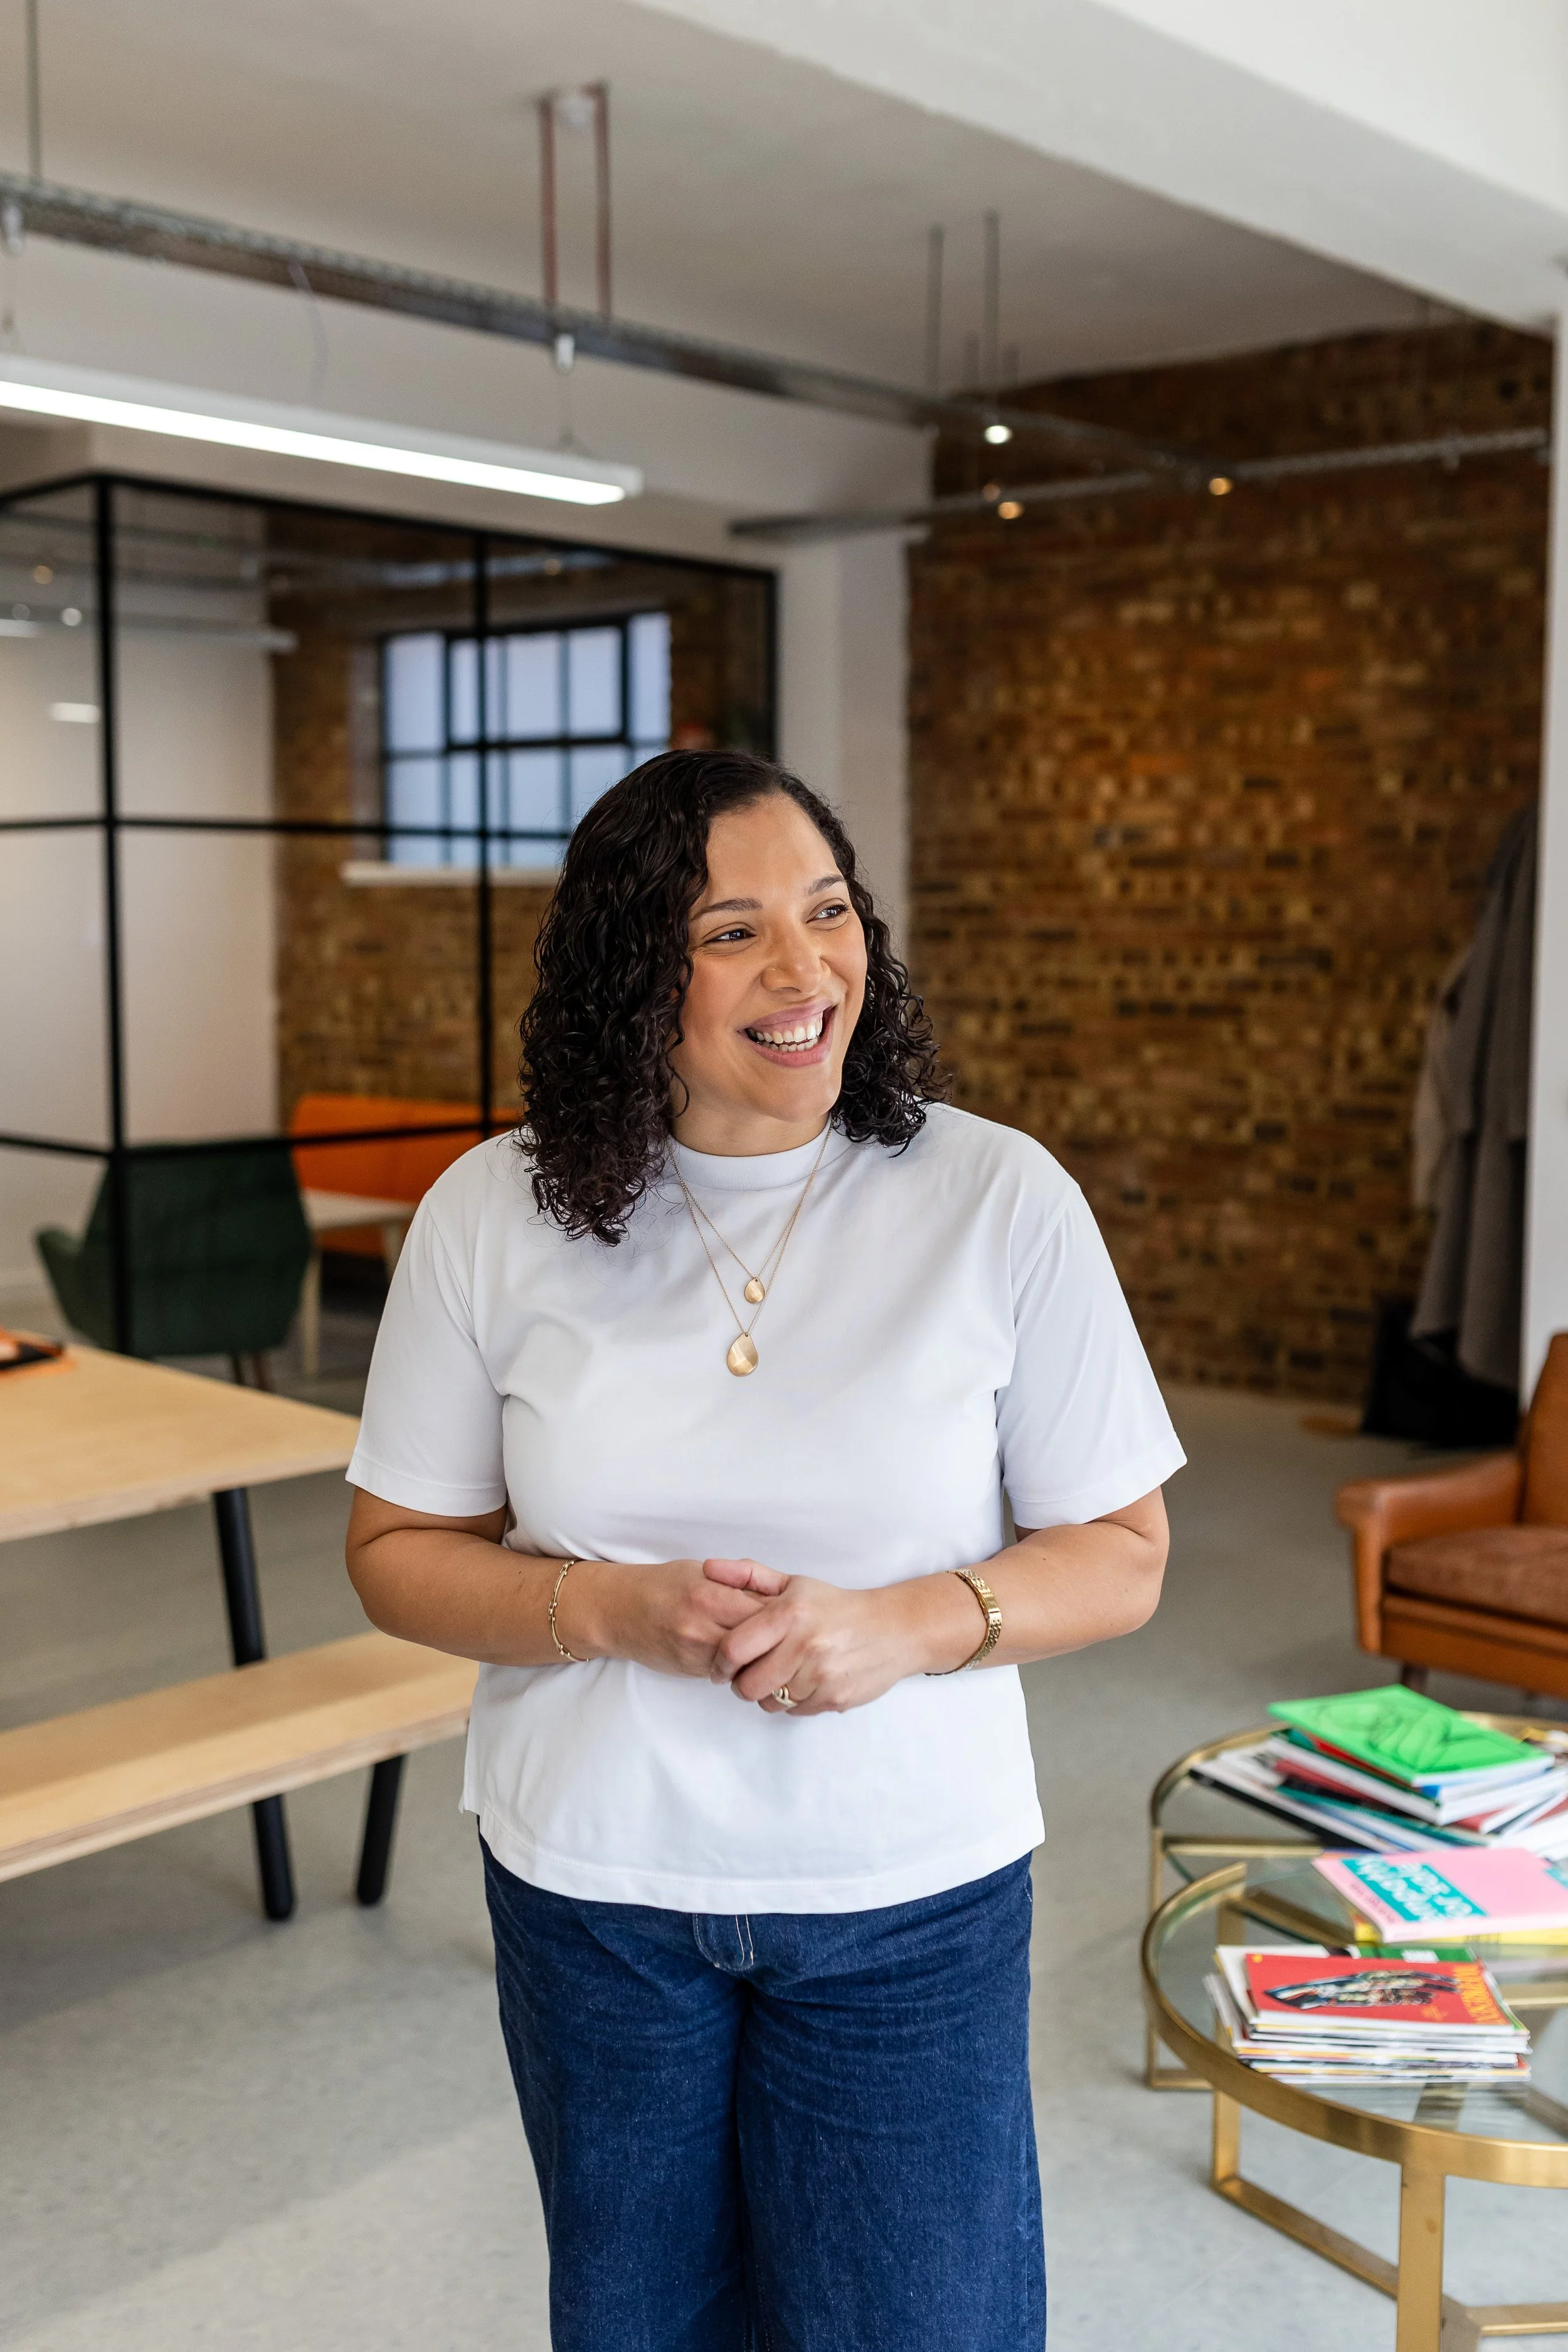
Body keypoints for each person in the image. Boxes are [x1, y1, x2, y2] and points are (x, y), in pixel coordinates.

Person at [345, 748, 1184, 2352]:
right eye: (732, 931)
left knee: (917, 2324)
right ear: (627, 973)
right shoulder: (489, 1212)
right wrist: (597, 1606)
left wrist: (908, 1624)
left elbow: (1125, 1551)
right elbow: (396, 1549)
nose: (805, 971)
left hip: (906, 1891)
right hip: (595, 1891)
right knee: (641, 2323)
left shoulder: (994, 1195)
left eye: (827, 911)